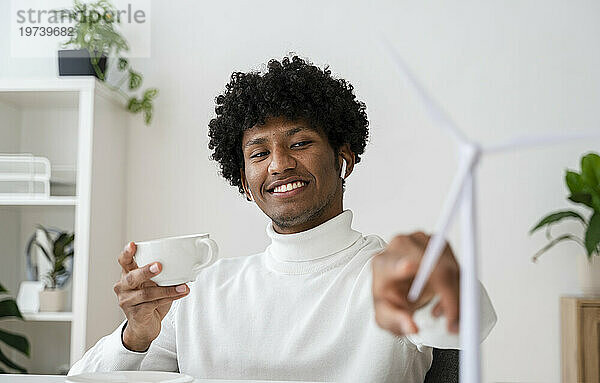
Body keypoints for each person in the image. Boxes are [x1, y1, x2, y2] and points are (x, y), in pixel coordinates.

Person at [69, 55, 496, 382]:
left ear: (344, 157)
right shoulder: (202, 293)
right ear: (243, 179)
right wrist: (136, 334)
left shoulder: (393, 274)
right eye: (258, 153)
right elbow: (81, 379)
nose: (279, 164)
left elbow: (471, 324)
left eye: (300, 142)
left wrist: (439, 277)